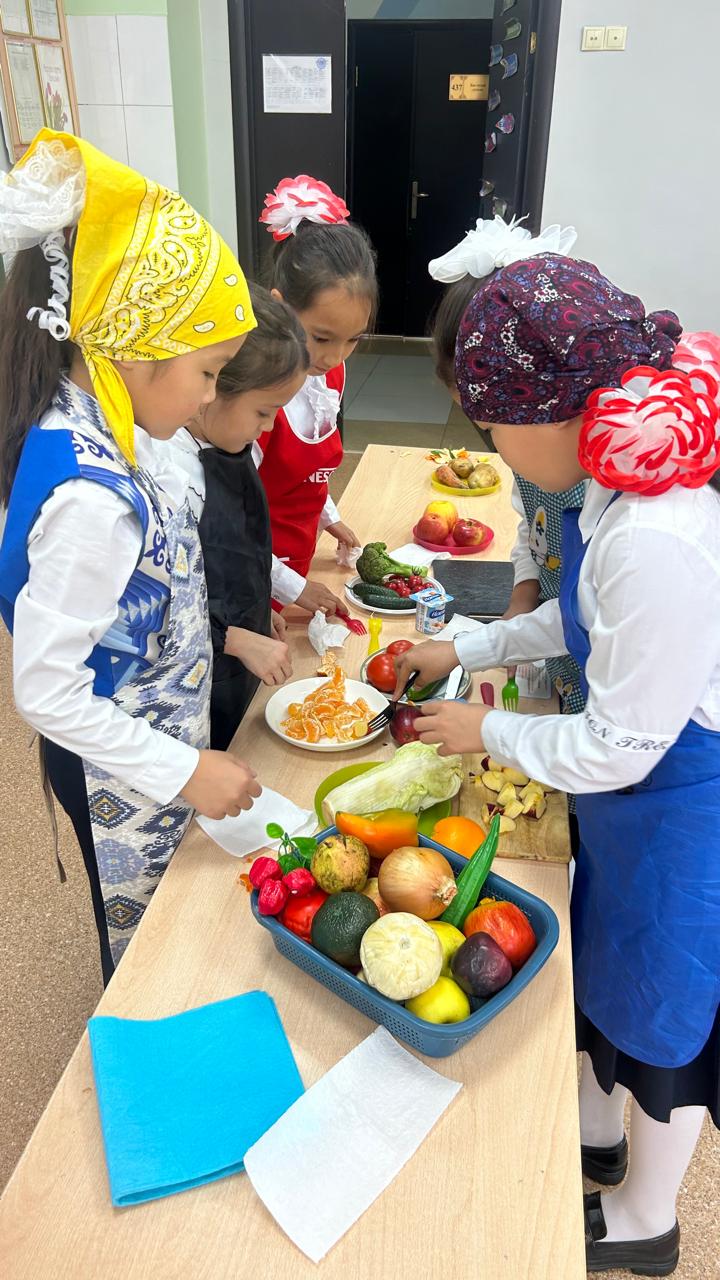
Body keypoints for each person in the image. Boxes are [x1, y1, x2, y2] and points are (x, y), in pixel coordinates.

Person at [393, 253, 719, 1276]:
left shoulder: (657, 534)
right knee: (607, 964)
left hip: (683, 807)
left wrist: (484, 732)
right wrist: (471, 647)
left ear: (548, 406)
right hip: (637, 796)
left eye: (492, 424)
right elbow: (579, 623)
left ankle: (648, 1218)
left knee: (668, 1009)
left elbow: (622, 740)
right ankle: (594, 1131)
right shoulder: (613, 480)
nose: (489, 444)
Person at [0, 129, 261, 983]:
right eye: (210, 371)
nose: (213, 396)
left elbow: (155, 596)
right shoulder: (91, 498)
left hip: (161, 738)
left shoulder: (122, 432)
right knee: (149, 954)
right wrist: (185, 770)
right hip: (120, 768)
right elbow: (46, 689)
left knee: (174, 927)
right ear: (134, 345)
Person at [429, 217, 586, 723]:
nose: (485, 434)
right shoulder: (547, 456)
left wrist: (495, 731)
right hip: (568, 663)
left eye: (492, 425)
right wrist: (520, 599)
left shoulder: (627, 525)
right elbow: (570, 615)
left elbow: (617, 749)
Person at [159, 284, 311, 750]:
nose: (268, 428)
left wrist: (260, 604)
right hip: (192, 673)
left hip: (238, 645)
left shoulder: (234, 445)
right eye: (264, 412)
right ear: (212, 389)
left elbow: (240, 549)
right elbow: (160, 605)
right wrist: (234, 639)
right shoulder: (170, 478)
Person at [255, 175, 378, 613]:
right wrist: (291, 587)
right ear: (280, 307)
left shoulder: (331, 376)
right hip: (256, 573)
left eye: (353, 340)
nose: (335, 356)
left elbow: (310, 473)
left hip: (297, 567)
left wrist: (330, 518)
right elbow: (229, 518)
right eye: (322, 338)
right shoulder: (256, 397)